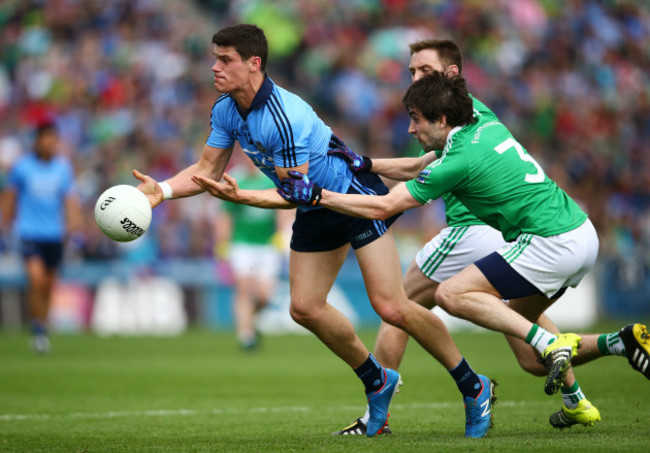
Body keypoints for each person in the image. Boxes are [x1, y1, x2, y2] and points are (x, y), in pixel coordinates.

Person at [133, 24, 495, 438]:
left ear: (254, 64)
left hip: (352, 198)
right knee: (303, 307)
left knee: (392, 306)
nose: (215, 66)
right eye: (215, 58)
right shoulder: (226, 109)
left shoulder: (283, 117)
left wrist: (242, 199)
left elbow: (292, 195)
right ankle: (378, 380)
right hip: (315, 206)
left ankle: (473, 384)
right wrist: (159, 192)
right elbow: (205, 170)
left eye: (225, 59)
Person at [278, 71, 650, 426]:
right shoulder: (480, 117)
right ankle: (618, 343)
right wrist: (367, 162)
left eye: (416, 119)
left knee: (449, 294)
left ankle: (549, 343)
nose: (410, 129)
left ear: (441, 118)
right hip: (580, 232)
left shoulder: (456, 161)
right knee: (529, 357)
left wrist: (318, 195)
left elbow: (383, 207)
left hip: (549, 241)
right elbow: (421, 162)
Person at [0, 121, 81, 354]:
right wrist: (5, 225)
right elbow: (10, 197)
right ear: (37, 140)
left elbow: (70, 200)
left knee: (48, 286)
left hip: (54, 234)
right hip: (28, 232)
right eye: (47, 138)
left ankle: (43, 326)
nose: (51, 143)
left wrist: (73, 224)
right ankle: (37, 330)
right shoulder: (22, 167)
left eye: (54, 139)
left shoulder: (62, 168)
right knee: (36, 280)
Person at [214, 155, 293, 350]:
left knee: (265, 296)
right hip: (242, 244)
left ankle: (249, 321)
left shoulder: (270, 179)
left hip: (267, 245)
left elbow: (283, 209)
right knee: (245, 288)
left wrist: (282, 234)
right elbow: (225, 214)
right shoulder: (236, 180)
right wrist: (222, 242)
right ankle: (246, 336)